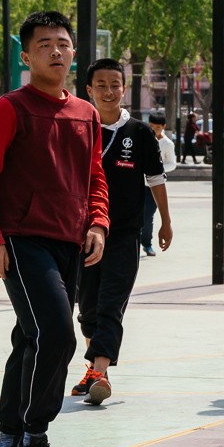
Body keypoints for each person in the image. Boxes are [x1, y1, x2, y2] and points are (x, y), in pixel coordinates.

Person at [0, 11, 109, 447]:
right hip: (22, 242)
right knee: (57, 336)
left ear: (73, 52)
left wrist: (99, 224)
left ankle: (6, 442)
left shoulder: (86, 113)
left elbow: (94, 179)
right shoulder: (9, 109)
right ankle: (33, 437)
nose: (56, 51)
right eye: (44, 44)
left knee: (31, 338)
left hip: (71, 242)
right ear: (26, 56)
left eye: (63, 43)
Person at [71, 59, 173, 406]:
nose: (109, 91)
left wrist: (166, 221)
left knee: (111, 305)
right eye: (101, 85)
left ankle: (100, 372)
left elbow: (156, 180)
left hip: (126, 233)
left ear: (124, 88)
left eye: (115, 84)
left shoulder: (140, 133)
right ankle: (94, 369)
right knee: (87, 309)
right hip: (83, 235)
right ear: (89, 90)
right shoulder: (80, 127)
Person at [139, 114, 177, 256]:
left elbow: (172, 163)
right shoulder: (142, 138)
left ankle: (147, 244)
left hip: (153, 187)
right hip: (138, 184)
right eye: (151, 127)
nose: (154, 130)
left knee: (148, 217)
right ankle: (134, 243)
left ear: (163, 127)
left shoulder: (167, 144)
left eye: (158, 127)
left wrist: (156, 169)